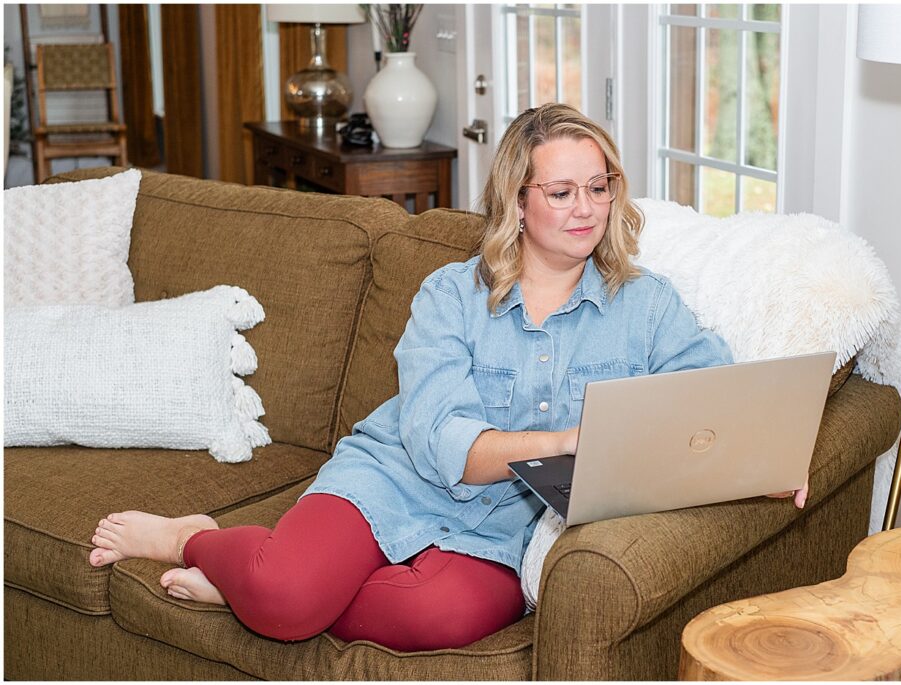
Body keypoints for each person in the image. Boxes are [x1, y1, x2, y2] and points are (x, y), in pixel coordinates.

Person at [88, 103, 802, 652]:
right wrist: (562, 439)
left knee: (431, 613)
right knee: (283, 594)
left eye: (598, 186)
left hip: (508, 523)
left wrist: (761, 464)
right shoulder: (450, 294)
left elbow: (708, 404)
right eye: (560, 192)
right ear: (518, 201)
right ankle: (197, 538)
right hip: (394, 475)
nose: (585, 208)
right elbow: (437, 440)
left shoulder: (646, 306)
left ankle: (258, 587)